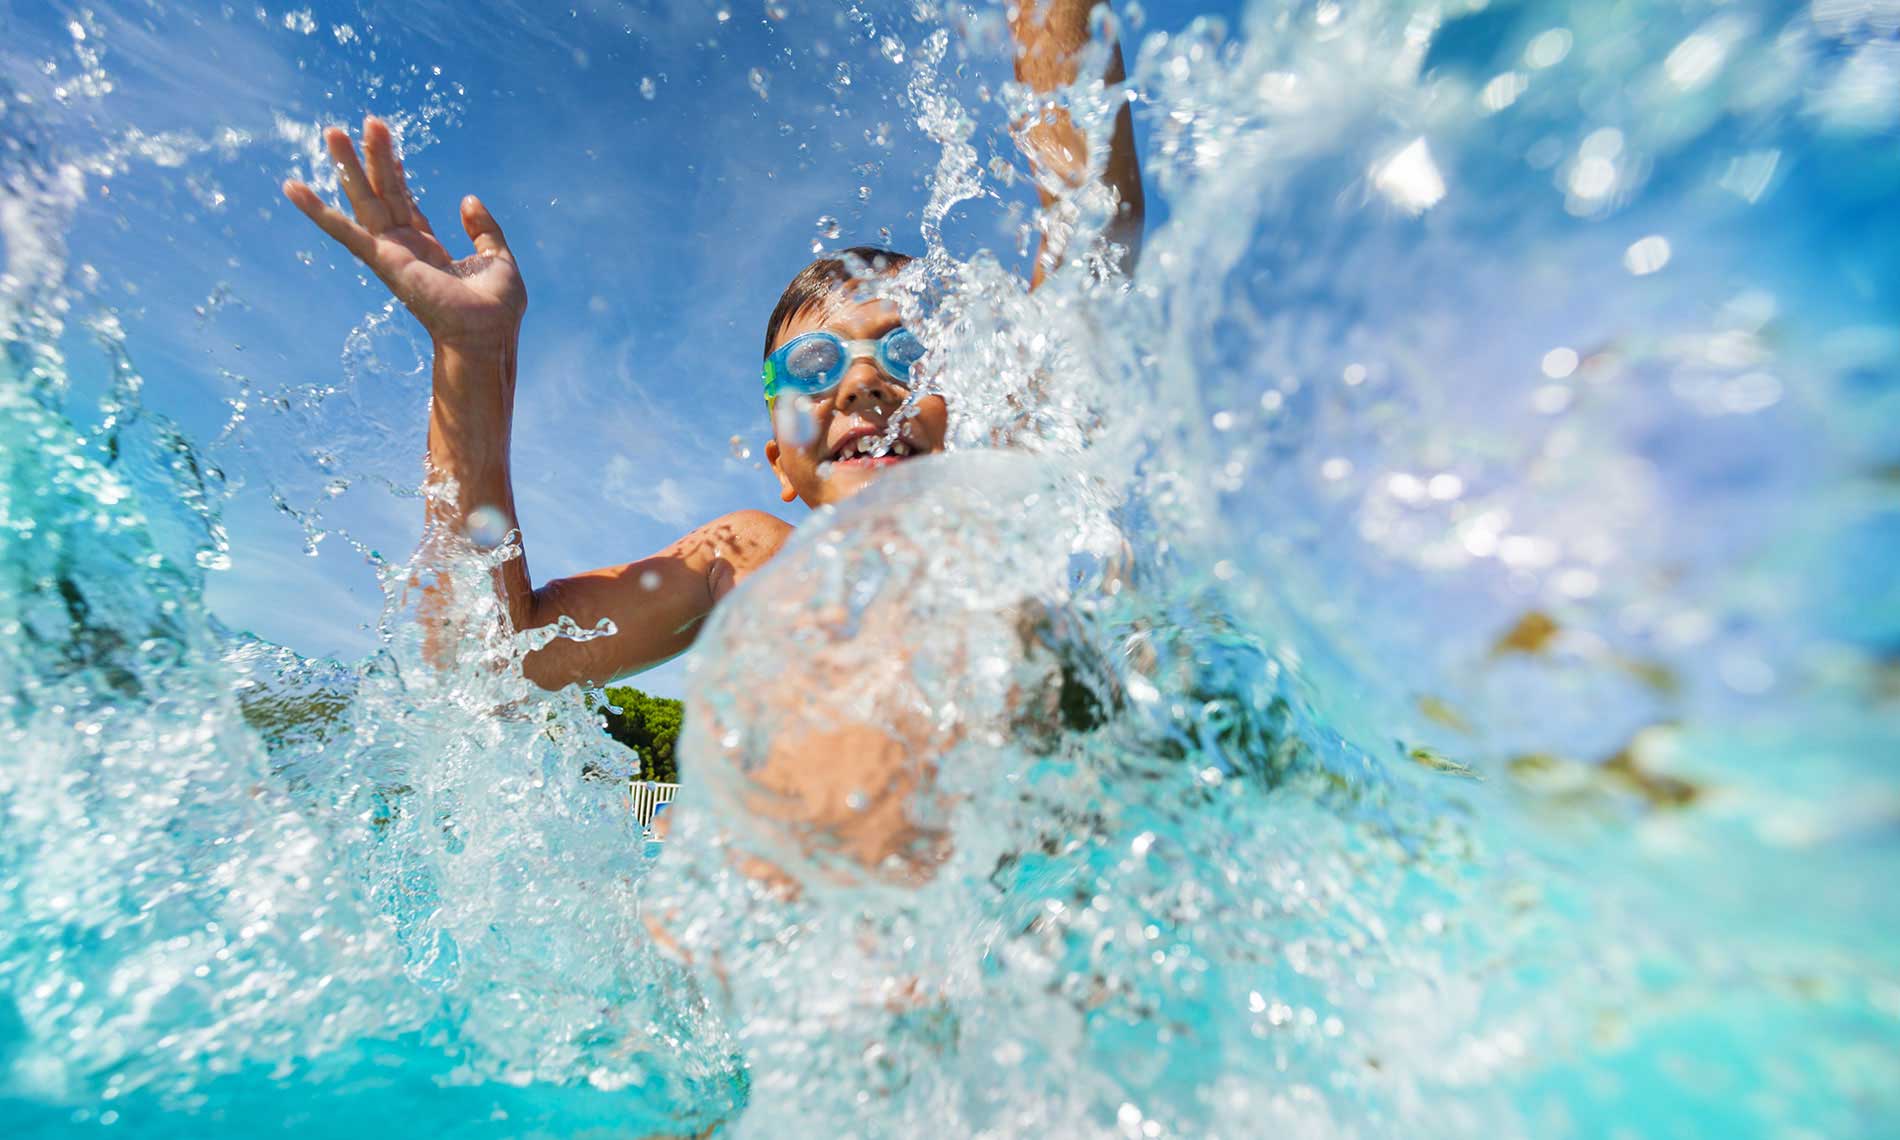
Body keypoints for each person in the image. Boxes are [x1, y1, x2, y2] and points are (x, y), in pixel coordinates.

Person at [280, 1, 1144, 699]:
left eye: (911, 353)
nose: (868, 382)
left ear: (972, 402)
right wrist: (471, 360)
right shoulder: (749, 559)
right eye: (815, 369)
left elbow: (1093, 237)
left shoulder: (1022, 535)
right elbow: (485, 662)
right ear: (780, 466)